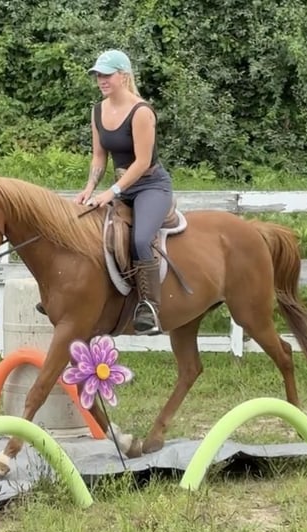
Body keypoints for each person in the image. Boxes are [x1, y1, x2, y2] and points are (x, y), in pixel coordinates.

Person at [74, 49, 173, 336]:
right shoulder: (97, 110)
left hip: (150, 185)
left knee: (140, 239)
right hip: (120, 188)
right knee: (85, 229)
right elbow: (99, 156)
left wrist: (112, 192)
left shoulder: (141, 111)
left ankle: (149, 308)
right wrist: (90, 188)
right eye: (98, 75)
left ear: (124, 75)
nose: (101, 80)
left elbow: (142, 162)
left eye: (106, 74)